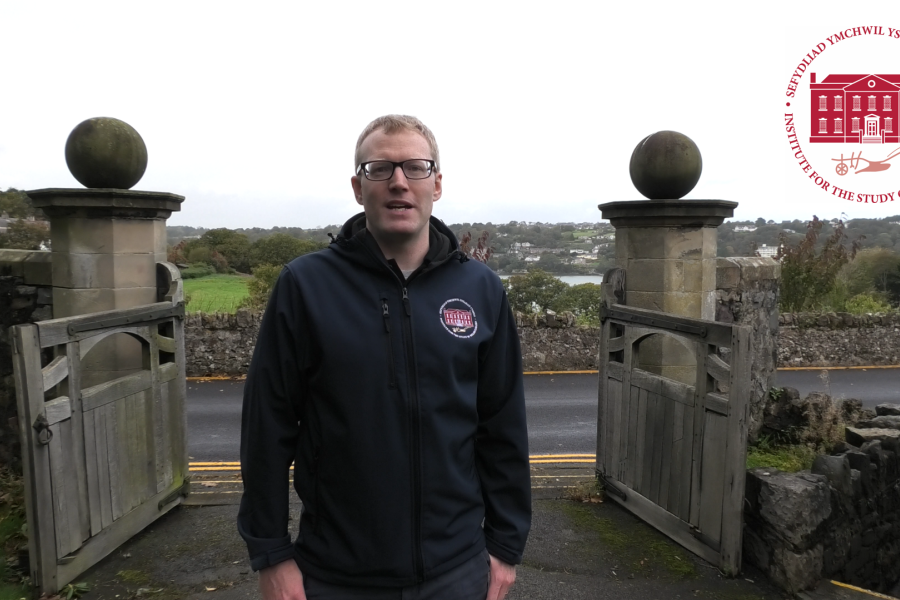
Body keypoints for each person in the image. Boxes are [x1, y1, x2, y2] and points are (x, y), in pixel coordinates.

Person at [238, 115, 531, 600]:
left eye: (416, 168)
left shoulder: (480, 288)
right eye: (380, 169)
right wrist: (271, 553)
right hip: (334, 574)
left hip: (458, 570)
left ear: (436, 184)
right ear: (358, 187)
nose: (399, 182)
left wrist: (504, 545)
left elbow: (502, 427)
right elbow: (267, 428)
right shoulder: (306, 286)